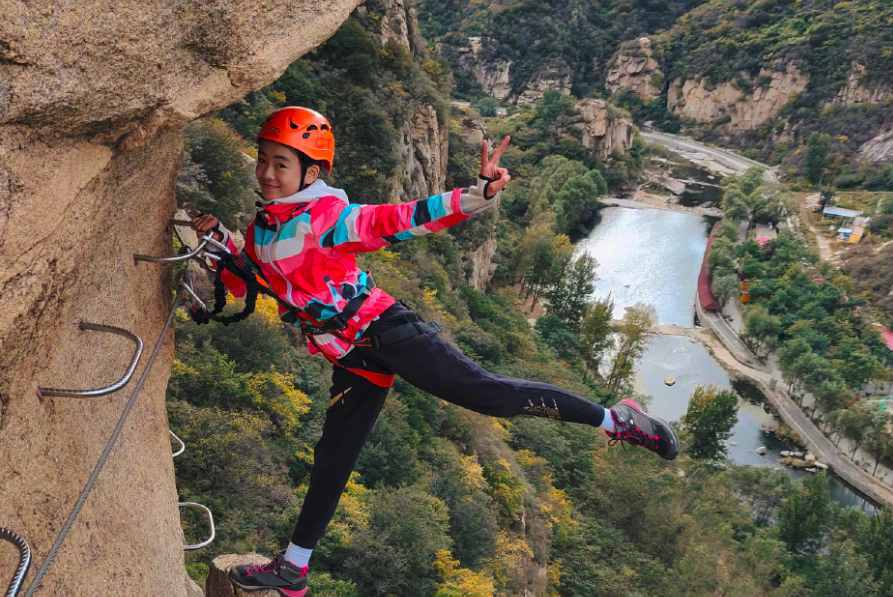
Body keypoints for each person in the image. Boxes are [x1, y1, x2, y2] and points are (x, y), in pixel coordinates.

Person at [191, 106, 678, 597]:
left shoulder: (327, 218)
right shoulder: (262, 230)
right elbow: (244, 282)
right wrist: (217, 247)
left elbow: (401, 220)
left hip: (386, 332)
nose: (268, 173)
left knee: (491, 396)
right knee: (333, 458)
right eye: (264, 160)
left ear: (310, 173)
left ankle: (617, 420)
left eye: (281, 164)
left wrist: (477, 194)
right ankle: (294, 569)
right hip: (352, 357)